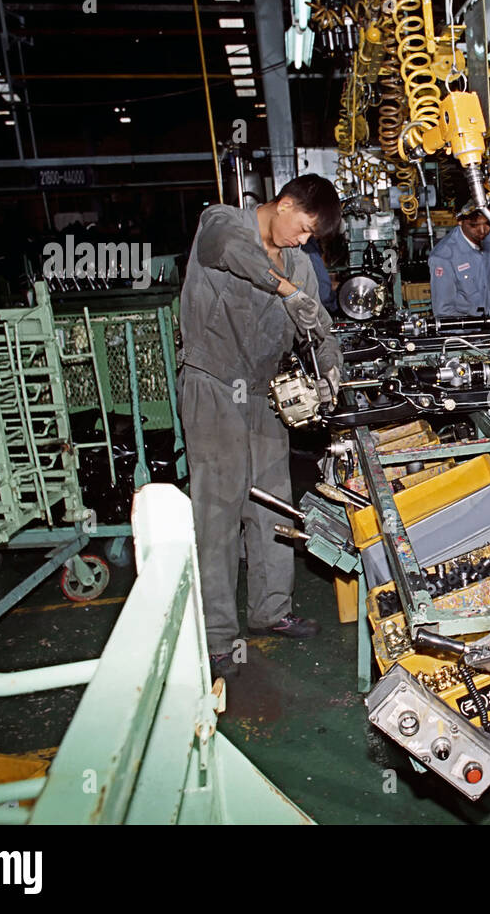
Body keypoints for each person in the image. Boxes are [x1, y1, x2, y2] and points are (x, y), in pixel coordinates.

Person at [179, 174, 345, 680]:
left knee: (272, 502)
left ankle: (271, 610)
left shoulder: (299, 264)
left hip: (264, 391)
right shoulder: (222, 224)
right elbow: (231, 252)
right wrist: (286, 290)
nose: (302, 241)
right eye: (302, 229)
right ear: (285, 204)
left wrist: (329, 369)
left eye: (310, 239)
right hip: (212, 383)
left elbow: (318, 327)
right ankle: (217, 637)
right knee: (218, 511)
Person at [428, 208, 490, 318]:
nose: (482, 230)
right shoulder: (443, 257)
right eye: (474, 225)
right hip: (468, 330)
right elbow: (444, 311)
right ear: (459, 221)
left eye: (487, 223)